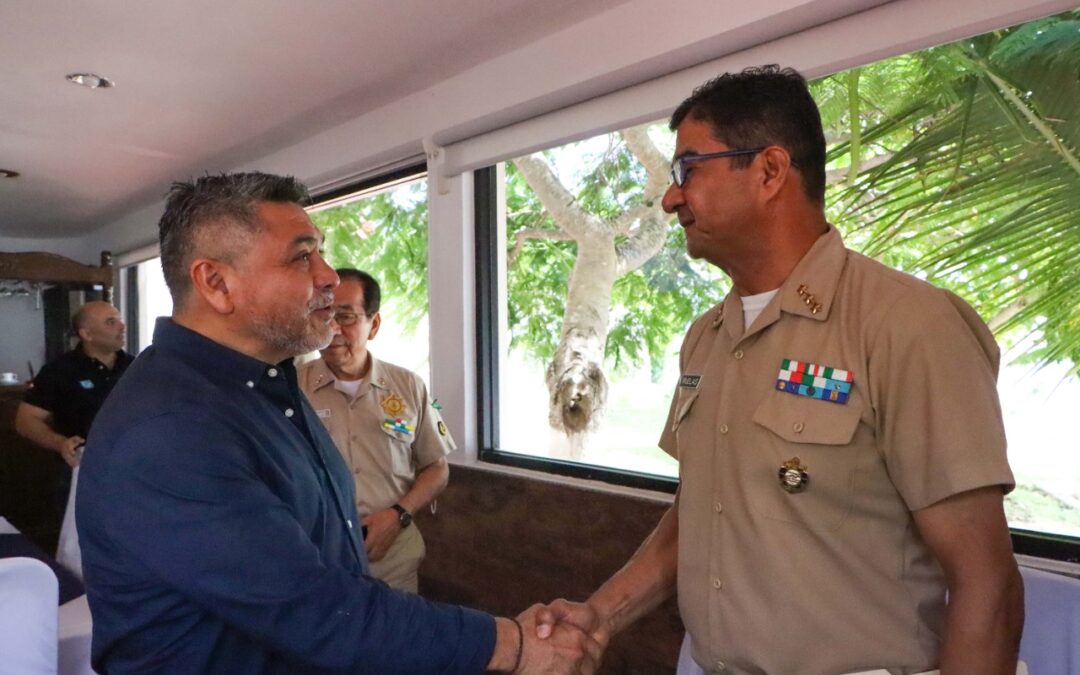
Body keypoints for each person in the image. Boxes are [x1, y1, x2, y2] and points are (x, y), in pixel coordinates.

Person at [535, 66, 1024, 675]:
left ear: (769, 171)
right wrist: (602, 616)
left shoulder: (906, 326)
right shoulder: (707, 338)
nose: (670, 198)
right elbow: (701, 513)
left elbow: (986, 583)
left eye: (689, 169)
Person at [76, 172, 599, 674]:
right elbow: (314, 611)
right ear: (216, 282)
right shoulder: (170, 429)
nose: (328, 275)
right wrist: (512, 645)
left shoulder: (267, 385)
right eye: (302, 256)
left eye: (320, 252)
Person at [300, 269, 451, 593]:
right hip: (319, 561)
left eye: (345, 316)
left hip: (393, 560)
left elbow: (437, 468)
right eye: (324, 314)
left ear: (375, 324)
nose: (333, 328)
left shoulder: (408, 386)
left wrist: (399, 515)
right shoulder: (292, 389)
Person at [15, 301, 133, 485]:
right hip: (79, 469)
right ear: (86, 334)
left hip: (132, 467)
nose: (122, 326)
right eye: (111, 322)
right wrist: (60, 443)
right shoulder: (60, 370)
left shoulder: (137, 367)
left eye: (120, 320)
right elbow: (26, 420)